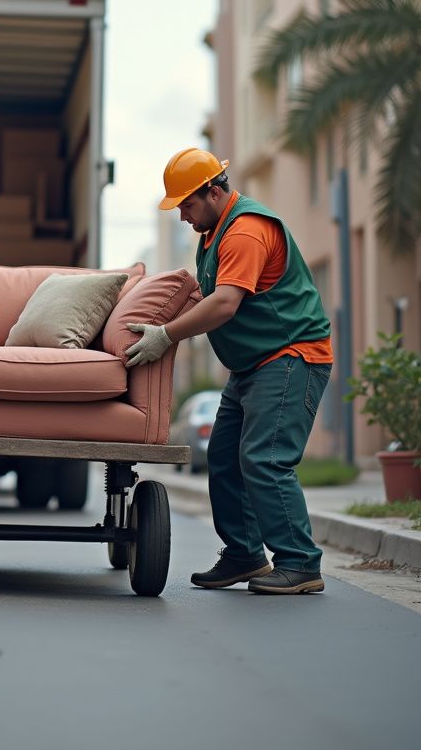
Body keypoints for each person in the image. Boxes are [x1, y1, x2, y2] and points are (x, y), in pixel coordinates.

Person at [125, 148, 333, 595]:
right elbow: (206, 294)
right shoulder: (213, 233)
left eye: (186, 204)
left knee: (266, 457)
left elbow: (223, 303)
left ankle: (300, 562)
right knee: (222, 458)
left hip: (291, 357)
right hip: (252, 365)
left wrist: (166, 334)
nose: (182, 215)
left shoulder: (247, 231)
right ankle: (244, 555)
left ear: (213, 191)